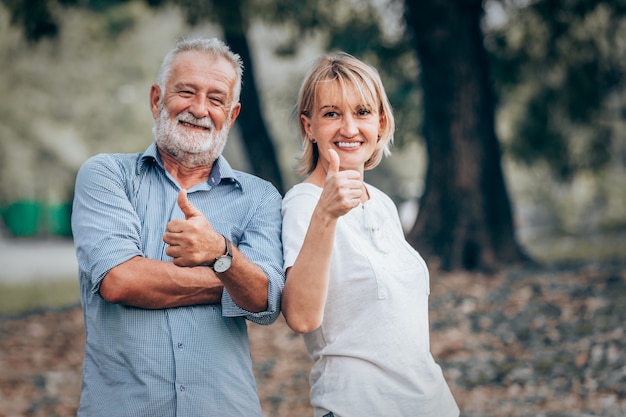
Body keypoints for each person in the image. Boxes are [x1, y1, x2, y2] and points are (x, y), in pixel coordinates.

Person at [71, 37, 284, 417]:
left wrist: (219, 252)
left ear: (232, 115)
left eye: (216, 99)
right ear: (157, 99)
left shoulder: (260, 197)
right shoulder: (106, 175)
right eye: (186, 92)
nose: (200, 109)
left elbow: (266, 303)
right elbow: (121, 280)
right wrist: (234, 274)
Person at [281, 52, 460, 417]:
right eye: (332, 113)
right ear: (308, 126)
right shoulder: (303, 205)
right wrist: (326, 214)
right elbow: (300, 317)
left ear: (380, 122)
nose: (349, 128)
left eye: (362, 112)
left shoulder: (381, 203)